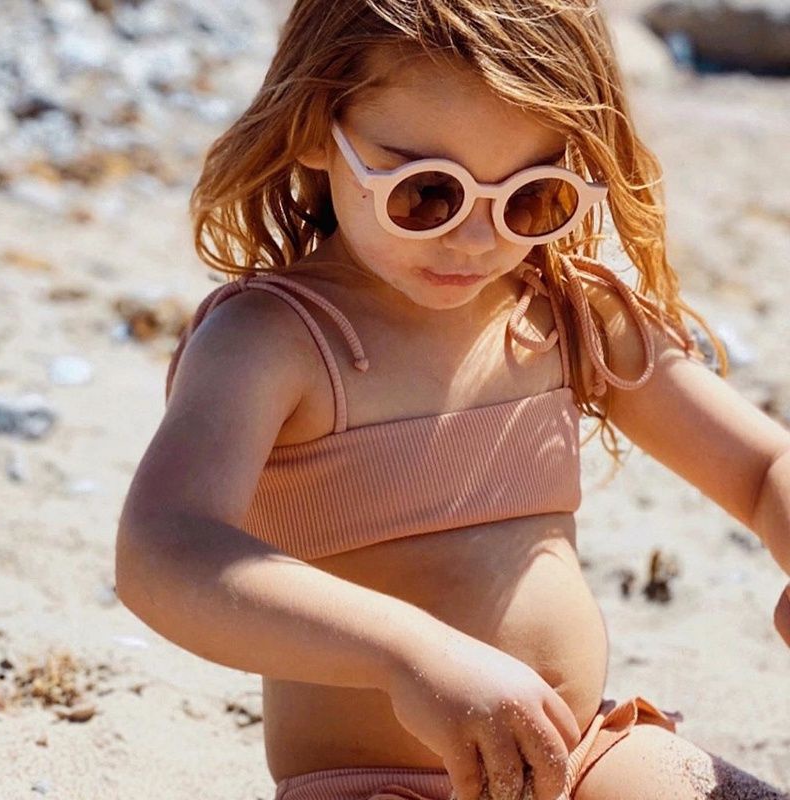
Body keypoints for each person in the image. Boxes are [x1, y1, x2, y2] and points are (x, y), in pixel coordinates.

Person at [114, 2, 790, 799]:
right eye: (427, 192)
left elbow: (762, 468)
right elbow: (162, 550)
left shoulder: (567, 312)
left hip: (582, 757)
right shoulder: (274, 341)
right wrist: (408, 653)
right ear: (312, 130)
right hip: (373, 785)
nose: (475, 239)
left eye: (532, 197)